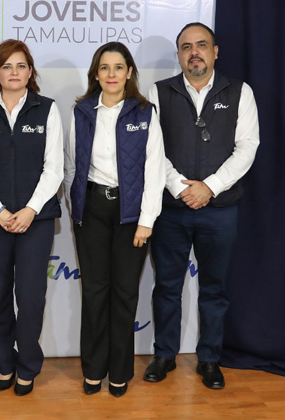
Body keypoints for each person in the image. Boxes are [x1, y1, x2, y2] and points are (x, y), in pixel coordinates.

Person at [142, 22, 259, 390]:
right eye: (186, 47)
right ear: (179, 55)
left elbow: (247, 148)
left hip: (220, 210)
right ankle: (164, 355)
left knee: (214, 289)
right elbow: (152, 150)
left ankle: (209, 358)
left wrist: (209, 187)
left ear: (215, 52)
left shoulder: (240, 92)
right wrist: (181, 189)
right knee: (166, 287)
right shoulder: (159, 92)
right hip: (171, 210)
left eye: (202, 45)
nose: (194, 52)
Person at [64, 41, 165, 397]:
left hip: (130, 214)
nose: (111, 74)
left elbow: (155, 170)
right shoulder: (81, 112)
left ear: (129, 72)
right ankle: (93, 370)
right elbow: (72, 166)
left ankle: (119, 372)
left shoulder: (145, 112)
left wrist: (146, 220)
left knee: (124, 294)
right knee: (94, 292)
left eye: (118, 67)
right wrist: (76, 206)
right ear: (96, 73)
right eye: (104, 68)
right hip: (91, 210)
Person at [0, 39, 63, 396]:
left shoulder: (47, 109)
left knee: (30, 297)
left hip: (35, 222)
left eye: (21, 66)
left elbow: (54, 168)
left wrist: (30, 209)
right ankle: (6, 362)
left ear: (30, 72)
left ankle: (27, 365)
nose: (14, 72)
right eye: (7, 66)